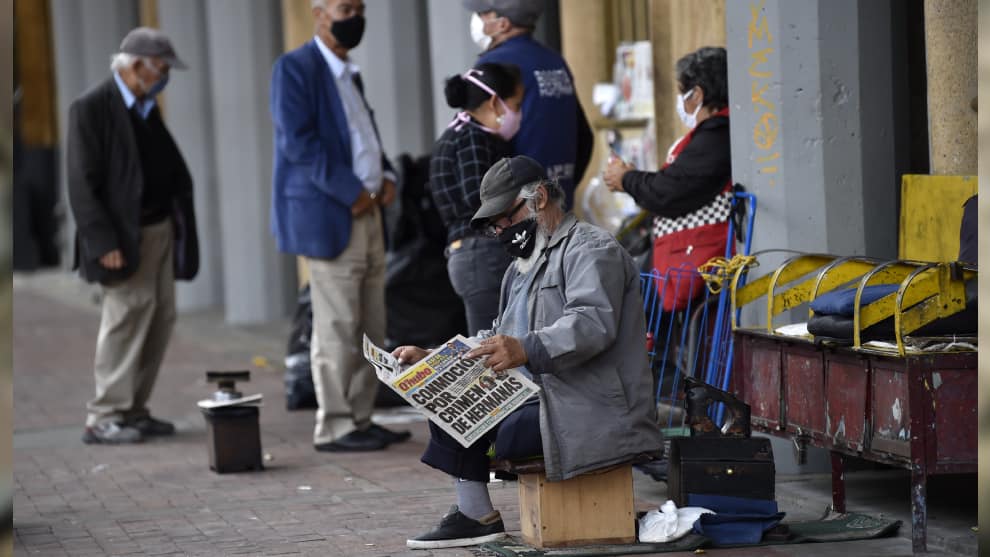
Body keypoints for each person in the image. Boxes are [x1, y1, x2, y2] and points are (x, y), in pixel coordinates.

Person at [394, 156, 663, 549]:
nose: (502, 230)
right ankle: (475, 515)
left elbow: (592, 325)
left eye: (505, 218)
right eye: (495, 226)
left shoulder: (591, 249)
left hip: (590, 405)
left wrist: (526, 348)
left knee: (507, 431)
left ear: (538, 198)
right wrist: (435, 359)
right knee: (445, 397)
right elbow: (497, 335)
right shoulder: (521, 266)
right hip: (544, 397)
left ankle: (474, 515)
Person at [270, 0, 409, 452]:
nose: (355, 15)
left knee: (371, 321)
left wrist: (386, 176)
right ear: (319, 12)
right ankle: (334, 424)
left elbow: (365, 137)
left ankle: (361, 416)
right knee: (337, 324)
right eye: (344, 7)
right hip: (335, 212)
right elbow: (299, 143)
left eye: (359, 7)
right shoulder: (295, 68)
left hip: (368, 211)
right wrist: (352, 192)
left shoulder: (350, 73)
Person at [67, 27, 199, 444]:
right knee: (124, 320)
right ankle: (105, 414)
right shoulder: (91, 108)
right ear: (137, 66)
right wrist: (102, 241)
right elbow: (81, 184)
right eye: (161, 68)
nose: (165, 77)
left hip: (158, 229)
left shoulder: (145, 106)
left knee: (158, 318)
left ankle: (134, 409)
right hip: (123, 238)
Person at [603, 46, 732, 313]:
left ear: (696, 94)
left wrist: (627, 179)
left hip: (695, 260)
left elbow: (671, 190)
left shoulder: (717, 136)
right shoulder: (712, 134)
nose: (679, 102)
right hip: (684, 258)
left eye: (680, 92)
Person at [464, 0, 593, 210]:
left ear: (502, 23)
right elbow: (584, 138)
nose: (478, 19)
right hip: (557, 204)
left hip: (517, 211)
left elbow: (475, 144)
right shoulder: (555, 62)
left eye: (483, 13)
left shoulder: (493, 66)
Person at [430, 62, 523, 335]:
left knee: (491, 348)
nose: (519, 114)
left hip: (470, 256)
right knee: (493, 356)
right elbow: (480, 196)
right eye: (516, 105)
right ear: (495, 102)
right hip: (483, 256)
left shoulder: (458, 134)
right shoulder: (474, 138)